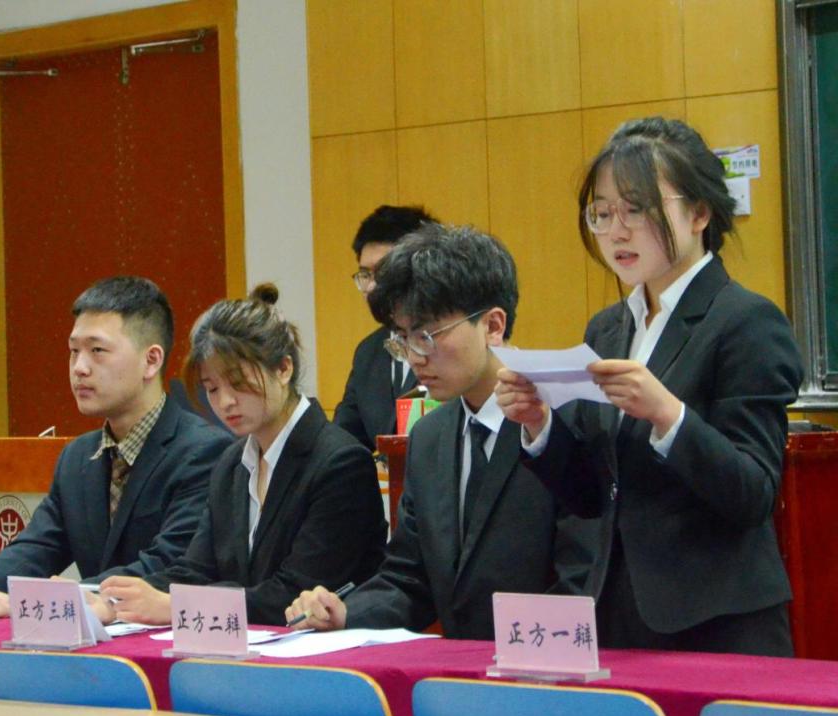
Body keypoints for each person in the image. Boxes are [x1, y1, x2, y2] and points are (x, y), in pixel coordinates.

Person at [496, 117, 803, 656]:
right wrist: (540, 426)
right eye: (602, 213)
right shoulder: (608, 329)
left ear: (700, 213)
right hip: (618, 613)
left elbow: (753, 492)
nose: (616, 231)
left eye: (637, 209)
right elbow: (594, 495)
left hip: (719, 625)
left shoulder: (747, 321)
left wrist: (669, 416)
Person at [287, 224, 595, 639]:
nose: (415, 357)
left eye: (427, 336)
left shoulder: (564, 419)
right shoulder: (429, 436)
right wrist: (344, 612)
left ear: (493, 325)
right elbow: (409, 579)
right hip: (459, 669)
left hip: (550, 661)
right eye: (403, 338)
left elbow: (584, 577)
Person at [0, 276, 231, 621]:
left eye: (97, 351)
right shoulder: (77, 457)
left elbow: (170, 563)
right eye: (73, 351)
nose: (79, 368)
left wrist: (48, 601)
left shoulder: (205, 452)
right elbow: (39, 545)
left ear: (151, 360)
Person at [93, 284, 387, 625]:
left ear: (283, 369)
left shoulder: (340, 461)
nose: (225, 402)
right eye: (212, 388)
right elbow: (195, 569)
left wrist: (176, 607)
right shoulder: (232, 462)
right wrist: (112, 599)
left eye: (238, 382)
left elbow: (293, 591)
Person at [334, 205, 438, 450]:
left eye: (383, 272)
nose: (371, 287)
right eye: (365, 275)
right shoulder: (368, 352)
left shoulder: (446, 343)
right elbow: (345, 438)